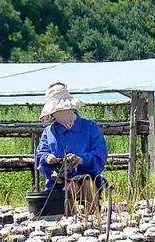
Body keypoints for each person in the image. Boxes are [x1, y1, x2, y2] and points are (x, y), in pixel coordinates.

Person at [35, 82, 108, 214]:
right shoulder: (49, 131)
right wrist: (48, 158)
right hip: (59, 183)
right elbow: (40, 154)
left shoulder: (90, 127)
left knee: (87, 185)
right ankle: (66, 222)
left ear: (70, 108)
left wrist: (82, 159)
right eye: (55, 111)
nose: (57, 114)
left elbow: (100, 155)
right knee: (69, 190)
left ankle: (92, 220)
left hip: (88, 178)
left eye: (60, 110)